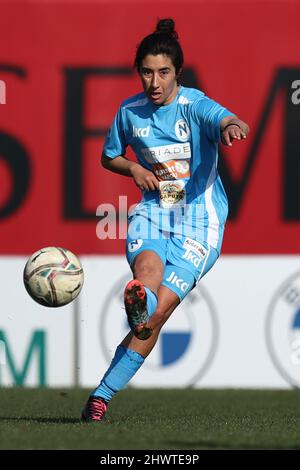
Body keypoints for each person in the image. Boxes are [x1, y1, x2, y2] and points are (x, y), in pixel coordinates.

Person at [82, 18, 249, 421]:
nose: (154, 82)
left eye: (163, 72)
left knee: (155, 316)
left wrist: (232, 125)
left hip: (200, 224)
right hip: (155, 211)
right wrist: (134, 170)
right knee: (147, 270)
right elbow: (109, 155)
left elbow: (222, 117)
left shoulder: (194, 105)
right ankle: (104, 393)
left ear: (178, 73)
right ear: (138, 72)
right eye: (146, 72)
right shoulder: (129, 112)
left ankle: (103, 391)